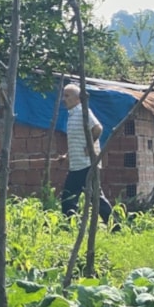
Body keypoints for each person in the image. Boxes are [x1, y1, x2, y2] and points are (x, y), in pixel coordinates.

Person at [60, 83, 113, 224]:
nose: (64, 99)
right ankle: (69, 225)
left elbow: (98, 128)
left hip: (87, 164)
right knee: (68, 198)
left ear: (77, 98)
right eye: (63, 96)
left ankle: (115, 226)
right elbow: (77, 140)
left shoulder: (83, 112)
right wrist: (67, 155)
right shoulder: (72, 115)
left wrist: (89, 148)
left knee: (95, 198)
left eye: (67, 96)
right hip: (76, 165)